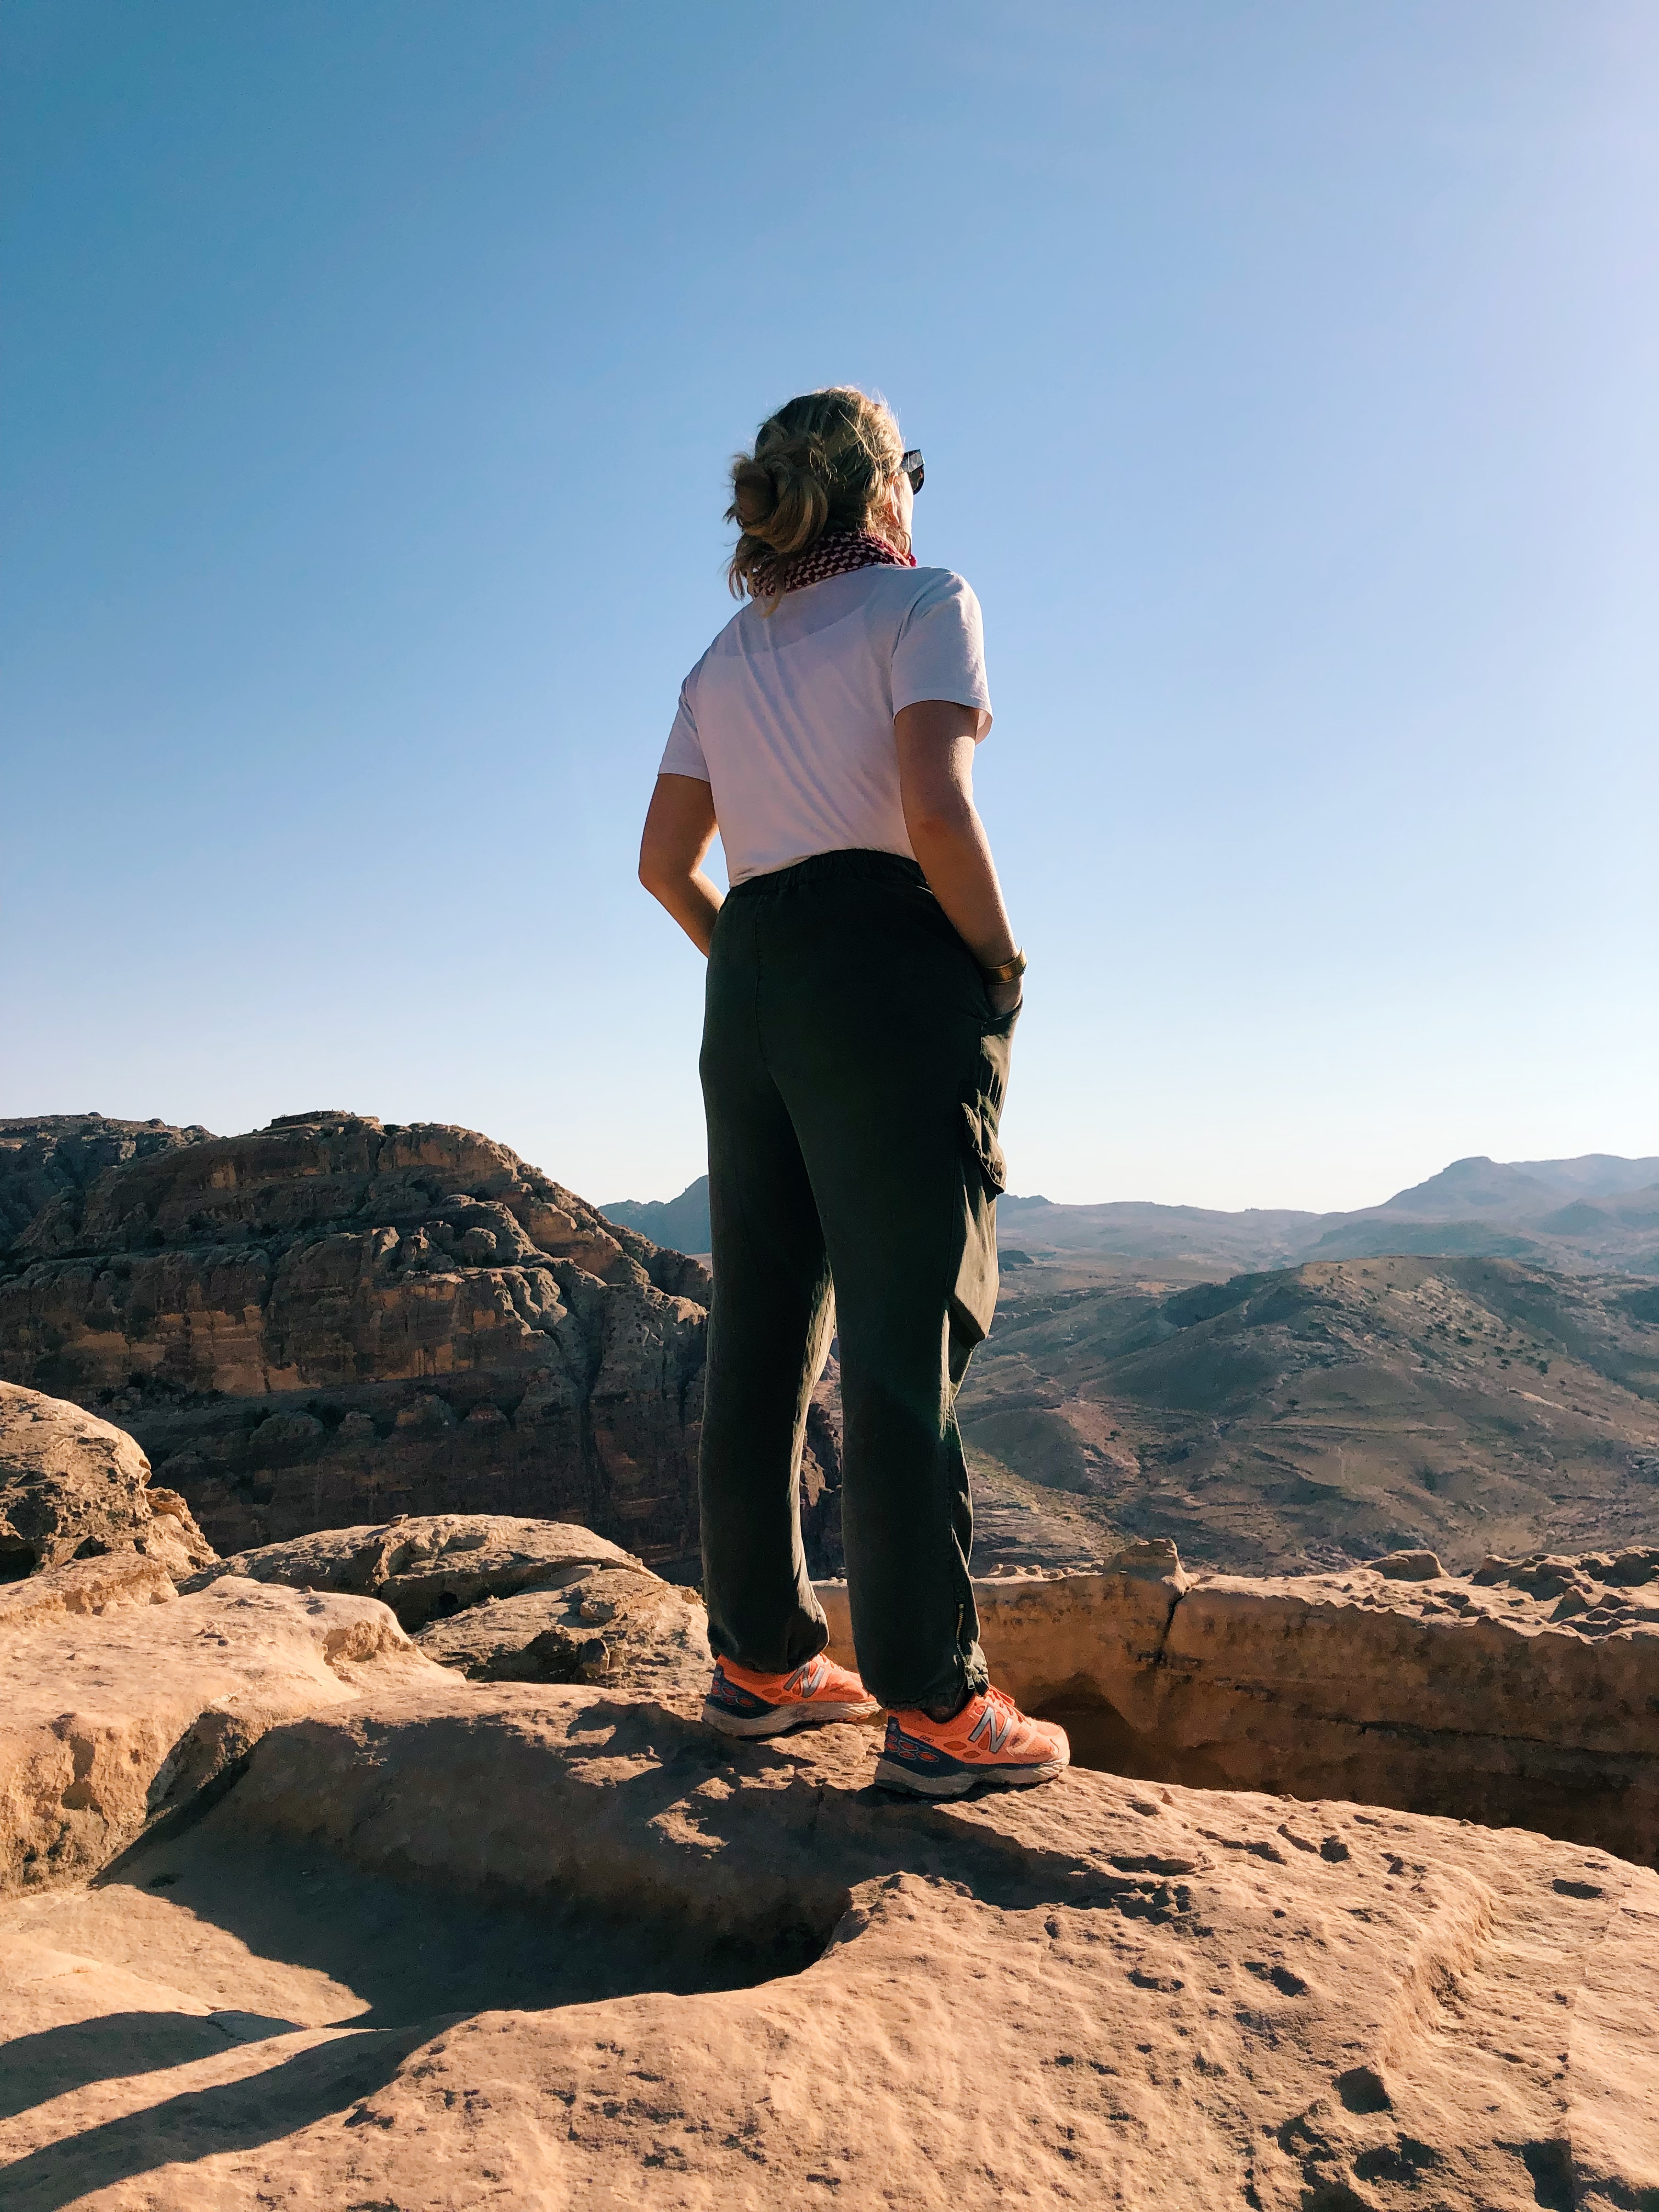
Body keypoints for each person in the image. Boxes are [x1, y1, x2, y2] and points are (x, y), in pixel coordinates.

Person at [639, 386, 1068, 1798]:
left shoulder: (722, 657)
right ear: (885, 482)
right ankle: (936, 1703)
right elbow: (935, 807)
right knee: (903, 1331)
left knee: (764, 1327)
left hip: (750, 973)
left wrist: (758, 970)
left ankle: (761, 1662)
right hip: (886, 959)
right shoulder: (925, 602)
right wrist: (997, 965)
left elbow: (662, 865)